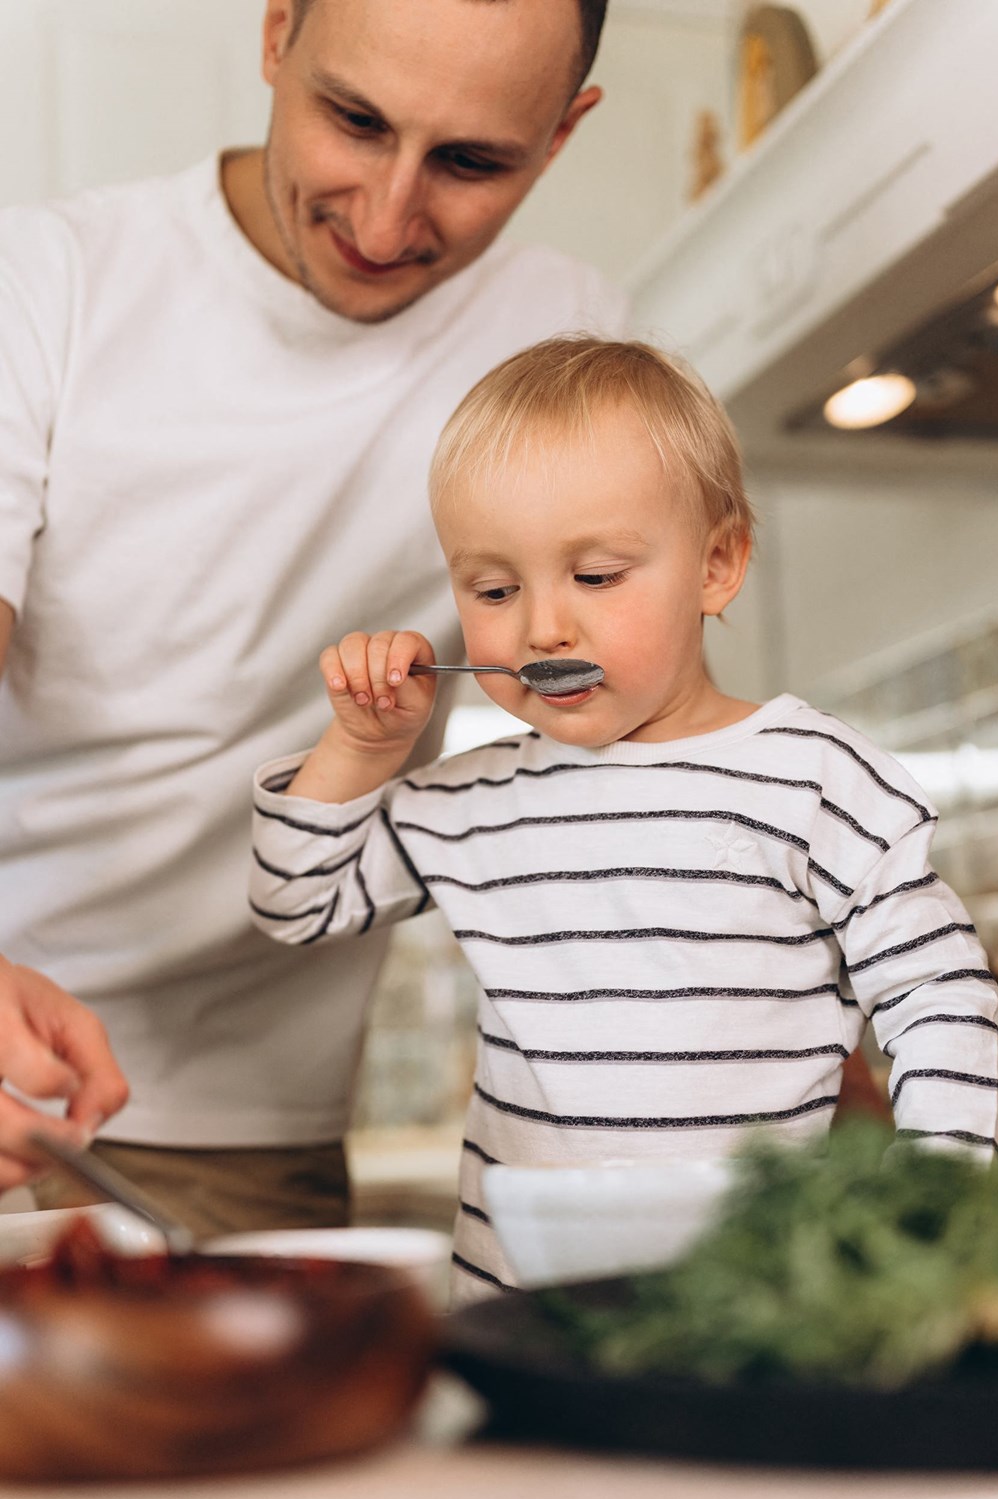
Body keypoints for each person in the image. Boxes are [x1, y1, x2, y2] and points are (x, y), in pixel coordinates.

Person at [0, 0, 628, 1228]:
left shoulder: (569, 346)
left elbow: (625, 727)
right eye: (355, 121)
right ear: (277, 33)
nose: (387, 220)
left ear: (561, 135)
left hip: (258, 1138)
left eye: (470, 162)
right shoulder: (47, 283)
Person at [248, 336, 998, 1301]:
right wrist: (361, 749)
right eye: (493, 589)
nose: (541, 628)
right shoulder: (469, 800)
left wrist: (933, 1213)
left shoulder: (814, 780)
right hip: (520, 1315)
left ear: (718, 563)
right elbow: (294, 901)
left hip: (752, 1308)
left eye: (596, 575)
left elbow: (942, 998)